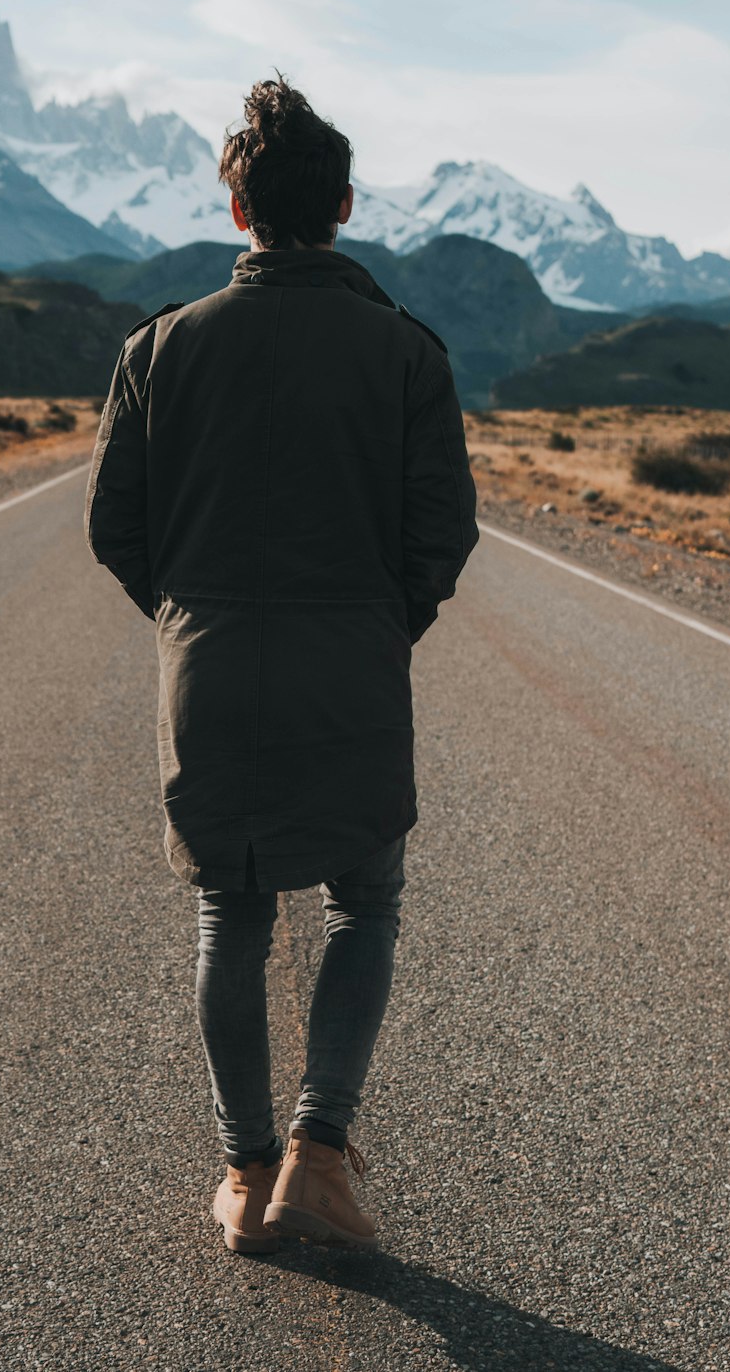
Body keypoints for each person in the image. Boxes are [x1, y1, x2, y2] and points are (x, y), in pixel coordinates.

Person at [85, 76, 478, 1253]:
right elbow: (440, 530)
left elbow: (118, 526)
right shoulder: (406, 353)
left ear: (239, 210)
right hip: (351, 661)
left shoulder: (160, 347)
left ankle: (244, 1174)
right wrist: (371, 621)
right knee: (365, 901)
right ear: (345, 205)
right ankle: (320, 1152)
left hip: (207, 664)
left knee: (230, 921)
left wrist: (191, 616)